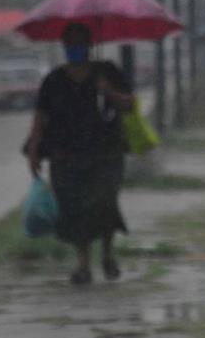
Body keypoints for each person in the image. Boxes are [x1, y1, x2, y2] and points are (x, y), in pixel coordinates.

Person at [26, 23, 135, 285]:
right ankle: (83, 264)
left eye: (79, 43)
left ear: (89, 45)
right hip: (66, 157)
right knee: (74, 209)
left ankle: (107, 255)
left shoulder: (106, 72)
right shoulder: (53, 80)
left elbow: (130, 105)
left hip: (105, 153)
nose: (75, 49)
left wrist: (107, 90)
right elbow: (41, 117)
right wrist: (34, 150)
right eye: (70, 44)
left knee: (105, 204)